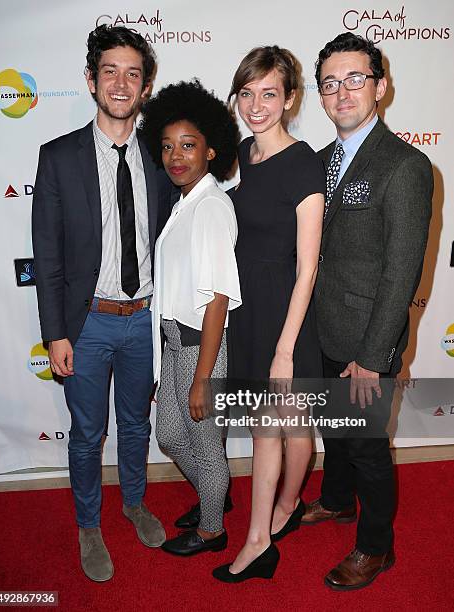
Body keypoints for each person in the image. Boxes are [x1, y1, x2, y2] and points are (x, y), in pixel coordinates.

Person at [32, 25, 175, 582]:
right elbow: (47, 254)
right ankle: (89, 524)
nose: (121, 82)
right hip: (86, 323)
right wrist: (56, 333)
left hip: (143, 321)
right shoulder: (59, 157)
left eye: (132, 73)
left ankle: (134, 503)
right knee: (88, 434)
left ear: (145, 86)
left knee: (136, 426)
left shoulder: (164, 157)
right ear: (91, 80)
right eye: (110, 71)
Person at [302, 32, 433, 591]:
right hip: (324, 328)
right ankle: (336, 500)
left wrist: (373, 358)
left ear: (380, 87)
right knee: (335, 431)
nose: (341, 92)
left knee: (368, 446)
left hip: (367, 340)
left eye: (355, 78)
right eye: (330, 83)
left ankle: (378, 548)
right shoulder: (320, 161)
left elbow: (400, 273)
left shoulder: (404, 166)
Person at [212, 46, 325, 583]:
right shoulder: (243, 153)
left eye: (269, 94)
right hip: (250, 308)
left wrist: (285, 347)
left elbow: (307, 269)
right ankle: (289, 506)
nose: (256, 105)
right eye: (247, 93)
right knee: (293, 426)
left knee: (269, 430)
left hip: (287, 314)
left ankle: (260, 538)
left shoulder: (304, 163)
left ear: (290, 99)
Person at [140, 80, 241, 556]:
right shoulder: (186, 203)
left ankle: (212, 529)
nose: (175, 156)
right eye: (167, 146)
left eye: (188, 145)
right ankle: (213, 496)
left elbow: (219, 296)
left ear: (211, 149)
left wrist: (203, 377)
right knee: (171, 437)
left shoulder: (211, 207)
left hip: (201, 346)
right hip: (175, 344)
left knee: (204, 445)